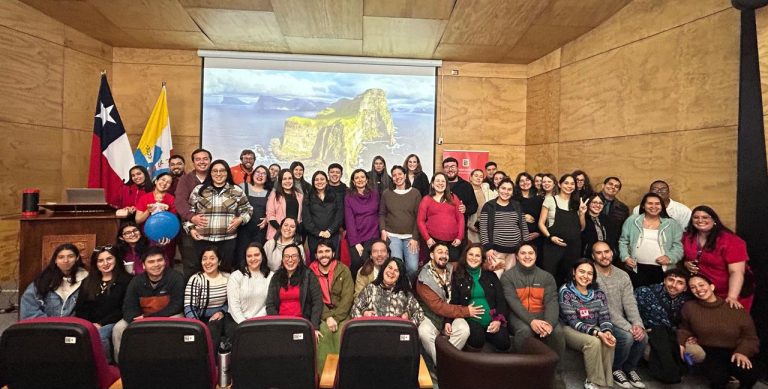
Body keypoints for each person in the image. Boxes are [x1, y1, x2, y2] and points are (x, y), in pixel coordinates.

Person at [678, 274, 762, 389]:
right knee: (718, 379)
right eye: (693, 287)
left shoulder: (734, 307)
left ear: (712, 287)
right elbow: (684, 328)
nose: (698, 289)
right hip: (710, 351)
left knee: (750, 374)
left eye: (701, 285)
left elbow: (750, 336)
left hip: (734, 350)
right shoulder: (689, 307)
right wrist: (681, 343)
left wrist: (742, 352)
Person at [112, 247, 185, 363]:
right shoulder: (136, 282)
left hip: (167, 317)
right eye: (151, 262)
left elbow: (177, 306)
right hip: (142, 319)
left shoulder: (176, 278)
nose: (156, 264)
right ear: (144, 266)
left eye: (159, 260)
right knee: (119, 328)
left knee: (178, 319)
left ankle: (174, 362)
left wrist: (148, 319)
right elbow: (128, 307)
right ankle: (123, 366)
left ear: (165, 262)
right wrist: (137, 319)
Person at [592, 242, 647, 389]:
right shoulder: (590, 274)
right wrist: (627, 327)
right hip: (599, 320)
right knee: (627, 337)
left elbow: (629, 302)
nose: (604, 256)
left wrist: (637, 324)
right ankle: (616, 369)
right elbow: (603, 308)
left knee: (643, 336)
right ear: (593, 256)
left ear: (612, 253)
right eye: (599, 253)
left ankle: (629, 369)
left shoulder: (622, 275)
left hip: (619, 320)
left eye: (606, 251)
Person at [416, 243, 478, 366]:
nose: (444, 255)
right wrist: (466, 311)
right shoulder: (423, 278)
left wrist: (489, 266)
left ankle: (442, 364)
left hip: (451, 315)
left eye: (446, 253)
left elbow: (471, 263)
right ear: (431, 255)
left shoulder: (452, 268)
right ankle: (445, 366)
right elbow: (438, 307)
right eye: (440, 252)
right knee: (423, 331)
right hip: (432, 315)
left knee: (464, 330)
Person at [682, 206, 754, 310]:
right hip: (702, 293)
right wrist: (686, 263)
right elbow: (684, 256)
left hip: (731, 293)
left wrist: (732, 297)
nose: (700, 220)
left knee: (729, 323)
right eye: (696, 217)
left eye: (705, 217)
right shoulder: (688, 237)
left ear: (714, 220)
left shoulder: (731, 241)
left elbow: (736, 272)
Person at [559, 259, 616, 389]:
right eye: (582, 271)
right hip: (569, 328)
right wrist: (597, 333)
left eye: (589, 273)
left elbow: (605, 316)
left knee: (609, 340)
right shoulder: (566, 291)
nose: (585, 276)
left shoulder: (599, 293)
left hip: (593, 327)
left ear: (593, 276)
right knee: (593, 342)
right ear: (574, 272)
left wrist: (607, 331)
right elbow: (573, 321)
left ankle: (607, 383)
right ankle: (593, 381)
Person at [187, 159, 253, 271]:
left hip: (227, 240)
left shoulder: (236, 190)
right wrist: (190, 229)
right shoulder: (199, 190)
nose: (218, 174)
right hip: (202, 239)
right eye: (215, 171)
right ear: (210, 173)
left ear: (227, 173)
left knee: (225, 271)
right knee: (203, 271)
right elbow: (188, 211)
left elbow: (248, 209)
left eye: (222, 171)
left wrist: (240, 219)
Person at [501, 244, 564, 356]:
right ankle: (523, 367)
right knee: (525, 331)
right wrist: (531, 321)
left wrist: (549, 323)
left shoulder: (546, 277)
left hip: (542, 314)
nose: (527, 256)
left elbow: (551, 302)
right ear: (516, 256)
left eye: (531, 253)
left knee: (557, 331)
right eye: (523, 253)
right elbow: (513, 302)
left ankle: (555, 370)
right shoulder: (507, 276)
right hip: (517, 316)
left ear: (536, 256)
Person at [75, 245, 133, 363]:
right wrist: (89, 324)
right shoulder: (88, 281)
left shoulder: (127, 280)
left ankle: (107, 367)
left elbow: (124, 308)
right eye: (100, 260)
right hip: (90, 323)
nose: (105, 263)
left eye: (109, 259)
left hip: (114, 322)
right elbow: (81, 307)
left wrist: (101, 324)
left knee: (100, 335)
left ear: (116, 259)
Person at [449, 244, 511, 351]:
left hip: (493, 320)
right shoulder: (458, 276)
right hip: (471, 319)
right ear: (465, 256)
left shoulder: (491, 275)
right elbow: (454, 301)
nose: (473, 258)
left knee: (504, 342)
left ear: (482, 259)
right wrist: (448, 321)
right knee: (477, 339)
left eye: (477, 255)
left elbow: (500, 300)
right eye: (471, 254)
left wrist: (498, 320)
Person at [634, 269, 692, 384]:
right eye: (671, 280)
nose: (674, 285)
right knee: (659, 333)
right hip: (648, 331)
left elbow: (689, 322)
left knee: (666, 335)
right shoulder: (644, 292)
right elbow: (629, 310)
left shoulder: (687, 300)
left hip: (671, 334)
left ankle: (669, 372)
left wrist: (689, 335)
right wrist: (640, 326)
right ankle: (670, 373)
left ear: (685, 288)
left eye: (680, 283)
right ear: (664, 280)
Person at [619, 193, 683, 287]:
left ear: (662, 206)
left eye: (657, 203)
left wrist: (669, 257)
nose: (654, 206)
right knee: (638, 296)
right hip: (636, 268)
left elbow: (678, 246)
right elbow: (623, 241)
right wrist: (626, 257)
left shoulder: (672, 224)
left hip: (662, 270)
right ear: (643, 206)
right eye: (650, 203)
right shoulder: (632, 221)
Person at [308, 240, 353, 371]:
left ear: (333, 253)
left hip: (342, 314)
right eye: (320, 252)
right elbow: (313, 300)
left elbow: (347, 298)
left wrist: (336, 317)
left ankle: (344, 376)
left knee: (343, 335)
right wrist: (327, 317)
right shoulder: (310, 272)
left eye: (327, 251)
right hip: (321, 314)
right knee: (323, 335)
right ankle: (325, 379)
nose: (324, 255)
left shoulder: (343, 270)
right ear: (316, 255)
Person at [539, 174, 587, 284]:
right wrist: (550, 237)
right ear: (560, 184)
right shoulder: (550, 200)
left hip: (573, 248)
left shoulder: (577, 203)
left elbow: (582, 228)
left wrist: (582, 213)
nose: (569, 186)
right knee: (550, 278)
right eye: (566, 183)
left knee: (570, 278)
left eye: (572, 184)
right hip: (553, 247)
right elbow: (541, 223)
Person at [20, 243, 88, 319]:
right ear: (55, 260)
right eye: (61, 257)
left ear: (77, 258)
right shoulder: (42, 280)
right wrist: (51, 325)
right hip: (46, 327)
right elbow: (29, 309)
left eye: (70, 256)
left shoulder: (87, 280)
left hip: (74, 327)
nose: (66, 260)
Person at [265, 244, 323, 333]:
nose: (290, 259)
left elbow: (317, 302)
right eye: (287, 256)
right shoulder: (276, 277)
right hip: (280, 325)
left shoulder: (309, 275)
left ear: (299, 259)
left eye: (294, 256)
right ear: (282, 259)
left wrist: (314, 327)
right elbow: (270, 304)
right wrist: (277, 324)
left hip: (302, 324)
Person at [351, 257, 425, 327]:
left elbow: (419, 313)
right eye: (390, 268)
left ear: (400, 275)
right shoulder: (370, 288)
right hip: (372, 333)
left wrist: (407, 320)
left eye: (396, 270)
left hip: (396, 334)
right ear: (383, 269)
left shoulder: (405, 293)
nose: (392, 272)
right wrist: (364, 314)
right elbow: (355, 309)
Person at [379, 165, 421, 282]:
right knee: (396, 267)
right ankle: (398, 291)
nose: (397, 177)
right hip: (392, 236)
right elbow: (382, 213)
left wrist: (415, 237)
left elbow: (419, 217)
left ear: (405, 175)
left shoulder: (415, 193)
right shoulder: (387, 193)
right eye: (394, 175)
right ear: (392, 178)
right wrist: (383, 230)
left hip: (410, 238)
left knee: (412, 268)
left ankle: (407, 288)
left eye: (400, 174)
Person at [184, 246, 231, 350]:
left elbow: (232, 302)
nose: (208, 262)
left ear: (219, 262)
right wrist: (198, 326)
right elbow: (189, 307)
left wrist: (222, 312)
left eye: (212, 258)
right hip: (199, 320)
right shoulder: (196, 279)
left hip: (220, 317)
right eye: (204, 259)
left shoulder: (228, 278)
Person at [175, 148, 212, 279]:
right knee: (191, 265)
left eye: (205, 159)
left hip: (212, 231)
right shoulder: (185, 180)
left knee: (211, 263)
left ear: (210, 161)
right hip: (190, 229)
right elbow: (180, 202)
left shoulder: (216, 176)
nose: (202, 162)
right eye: (198, 159)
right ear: (193, 163)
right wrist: (192, 218)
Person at [479, 177, 529, 275]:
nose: (506, 192)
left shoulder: (517, 205)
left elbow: (523, 226)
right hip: (495, 253)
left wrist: (525, 247)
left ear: (512, 192)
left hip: (515, 252)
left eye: (509, 189)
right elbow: (483, 228)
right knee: (496, 279)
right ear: (498, 189)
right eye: (503, 188)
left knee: (511, 280)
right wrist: (488, 248)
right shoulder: (489, 206)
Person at [417, 173, 465, 261]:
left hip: (453, 242)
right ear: (432, 184)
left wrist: (459, 237)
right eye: (437, 181)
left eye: (443, 181)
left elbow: (460, 219)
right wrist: (427, 238)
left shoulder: (454, 198)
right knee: (433, 267)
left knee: (451, 269)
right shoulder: (426, 199)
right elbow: (420, 221)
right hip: (433, 240)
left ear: (446, 184)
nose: (440, 183)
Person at [344, 168, 380, 279]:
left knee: (367, 259)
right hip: (356, 235)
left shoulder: (375, 194)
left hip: (373, 233)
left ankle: (371, 288)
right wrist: (356, 243)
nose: (360, 180)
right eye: (357, 178)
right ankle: (355, 289)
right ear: (353, 182)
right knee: (356, 261)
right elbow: (349, 221)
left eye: (362, 177)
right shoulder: (349, 197)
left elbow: (380, 214)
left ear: (367, 179)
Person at [227, 242, 274, 324]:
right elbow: (234, 306)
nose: (253, 259)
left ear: (262, 256)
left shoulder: (271, 276)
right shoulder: (236, 276)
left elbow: (270, 304)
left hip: (262, 321)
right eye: (249, 256)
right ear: (245, 258)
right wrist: (244, 324)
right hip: (238, 322)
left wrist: (255, 323)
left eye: (256, 255)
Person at [135, 172, 177, 262]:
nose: (164, 183)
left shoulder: (172, 199)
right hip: (147, 238)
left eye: (168, 182)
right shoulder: (144, 198)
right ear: (156, 181)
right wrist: (148, 211)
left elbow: (173, 223)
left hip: (166, 239)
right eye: (162, 180)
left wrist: (165, 212)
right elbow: (138, 220)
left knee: (165, 263)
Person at [303, 171, 343, 261]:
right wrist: (318, 232)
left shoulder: (335, 195)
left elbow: (339, 215)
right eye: (316, 180)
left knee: (333, 261)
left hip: (332, 235)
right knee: (316, 262)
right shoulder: (308, 196)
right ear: (313, 182)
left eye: (322, 179)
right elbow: (306, 219)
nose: (319, 182)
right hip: (314, 236)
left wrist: (330, 231)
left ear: (326, 181)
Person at [235, 165, 271, 265]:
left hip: (260, 231)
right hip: (243, 229)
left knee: (258, 258)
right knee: (241, 256)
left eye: (264, 173)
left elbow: (275, 210)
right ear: (253, 174)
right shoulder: (243, 187)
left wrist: (268, 218)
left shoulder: (271, 192)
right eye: (258, 172)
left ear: (267, 177)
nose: (260, 175)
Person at [442, 157, 478, 244]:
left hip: (460, 231)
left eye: (453, 166)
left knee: (458, 257)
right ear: (443, 169)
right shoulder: (438, 185)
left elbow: (474, 206)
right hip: (440, 230)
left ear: (457, 168)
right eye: (447, 167)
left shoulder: (466, 186)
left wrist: (466, 209)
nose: (450, 169)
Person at [266, 168, 304, 241]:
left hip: (294, 236)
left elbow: (301, 218)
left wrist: (294, 232)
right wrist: (283, 231)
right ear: (280, 181)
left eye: (290, 178)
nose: (287, 181)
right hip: (276, 234)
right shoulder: (274, 195)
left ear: (293, 180)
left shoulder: (300, 196)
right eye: (284, 179)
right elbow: (270, 216)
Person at [581, 194, 619, 259]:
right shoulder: (583, 219)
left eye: (600, 203)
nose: (598, 205)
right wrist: (581, 214)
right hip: (587, 258)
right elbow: (581, 229)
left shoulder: (607, 220)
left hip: (606, 258)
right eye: (594, 202)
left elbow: (613, 239)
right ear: (588, 203)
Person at [513, 172, 542, 243]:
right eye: (521, 181)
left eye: (527, 180)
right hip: (518, 237)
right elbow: (507, 216)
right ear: (518, 183)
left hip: (537, 237)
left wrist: (539, 233)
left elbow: (544, 219)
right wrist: (522, 216)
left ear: (531, 182)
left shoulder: (539, 198)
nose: (525, 182)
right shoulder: (513, 199)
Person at [467, 169, 491, 244]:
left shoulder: (487, 192)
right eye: (476, 176)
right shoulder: (465, 190)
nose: (478, 178)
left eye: (481, 176)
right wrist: (469, 224)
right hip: (470, 227)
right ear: (470, 178)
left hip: (484, 228)